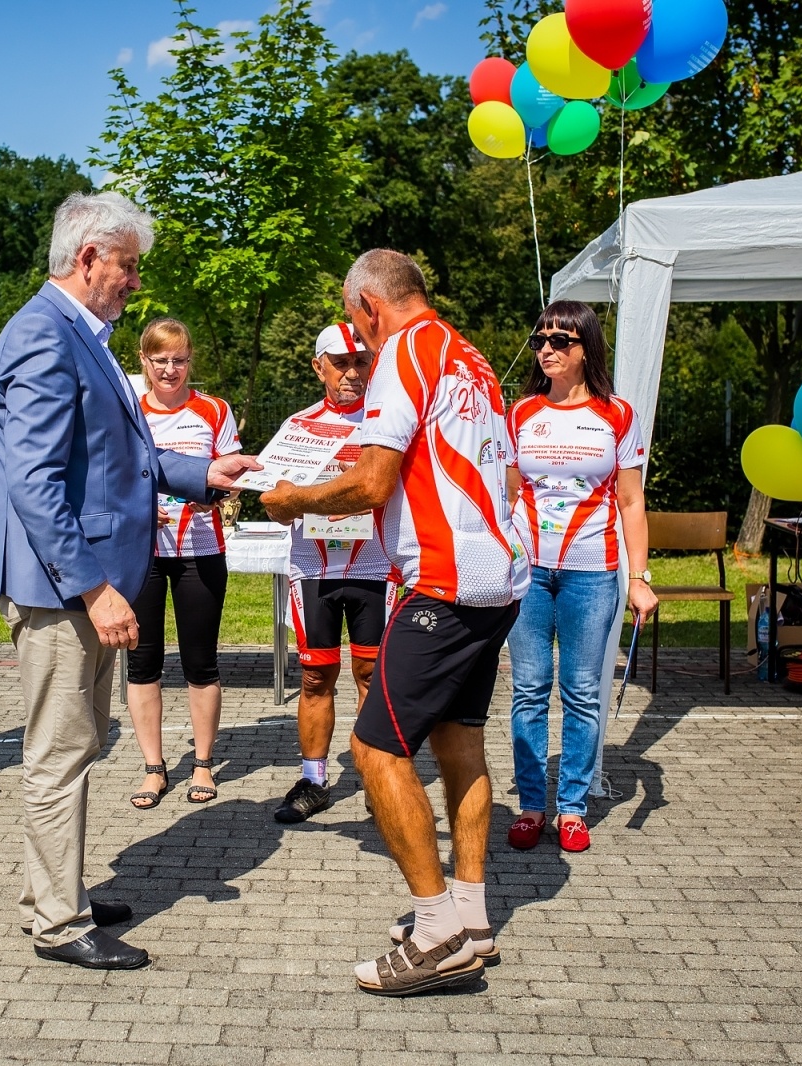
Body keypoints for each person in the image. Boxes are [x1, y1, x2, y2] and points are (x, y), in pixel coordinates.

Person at [0, 191, 259, 970]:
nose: (136, 281)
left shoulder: (81, 333)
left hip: (81, 579)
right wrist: (95, 587)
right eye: (128, 266)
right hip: (61, 586)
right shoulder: (45, 334)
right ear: (89, 258)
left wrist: (205, 471)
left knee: (77, 744)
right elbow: (33, 480)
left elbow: (118, 457)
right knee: (60, 751)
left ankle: (53, 892)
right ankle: (59, 925)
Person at [262, 249, 527, 997]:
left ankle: (437, 931)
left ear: (370, 309)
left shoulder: (404, 352)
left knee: (375, 748)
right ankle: (471, 918)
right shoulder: (468, 353)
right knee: (459, 742)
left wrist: (296, 500)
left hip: (443, 583)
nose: (360, 341)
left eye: (357, 323)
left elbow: (373, 482)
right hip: (496, 577)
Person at [503, 301, 657, 853]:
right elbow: (510, 492)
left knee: (582, 692)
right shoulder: (520, 413)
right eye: (540, 338)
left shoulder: (617, 413)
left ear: (586, 347)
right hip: (528, 572)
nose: (546, 348)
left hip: (593, 570)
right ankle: (530, 805)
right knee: (528, 689)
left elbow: (633, 501)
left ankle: (572, 806)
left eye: (560, 340)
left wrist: (639, 577)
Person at [273, 322, 392, 825]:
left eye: (360, 361)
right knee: (316, 674)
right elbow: (274, 498)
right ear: (317, 365)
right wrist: (283, 503)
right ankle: (314, 779)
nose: (351, 372)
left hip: (374, 563)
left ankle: (376, 778)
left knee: (371, 674)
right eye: (339, 362)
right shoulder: (298, 425)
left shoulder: (388, 421)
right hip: (314, 567)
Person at [126, 317, 240, 809]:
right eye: (160, 360)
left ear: (191, 360)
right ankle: (154, 767)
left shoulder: (214, 410)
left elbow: (231, 476)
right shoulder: (128, 410)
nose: (170, 370)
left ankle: (202, 764)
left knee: (200, 662)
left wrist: (211, 494)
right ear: (144, 362)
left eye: (179, 360)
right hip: (141, 553)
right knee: (142, 662)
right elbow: (114, 474)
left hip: (199, 549)